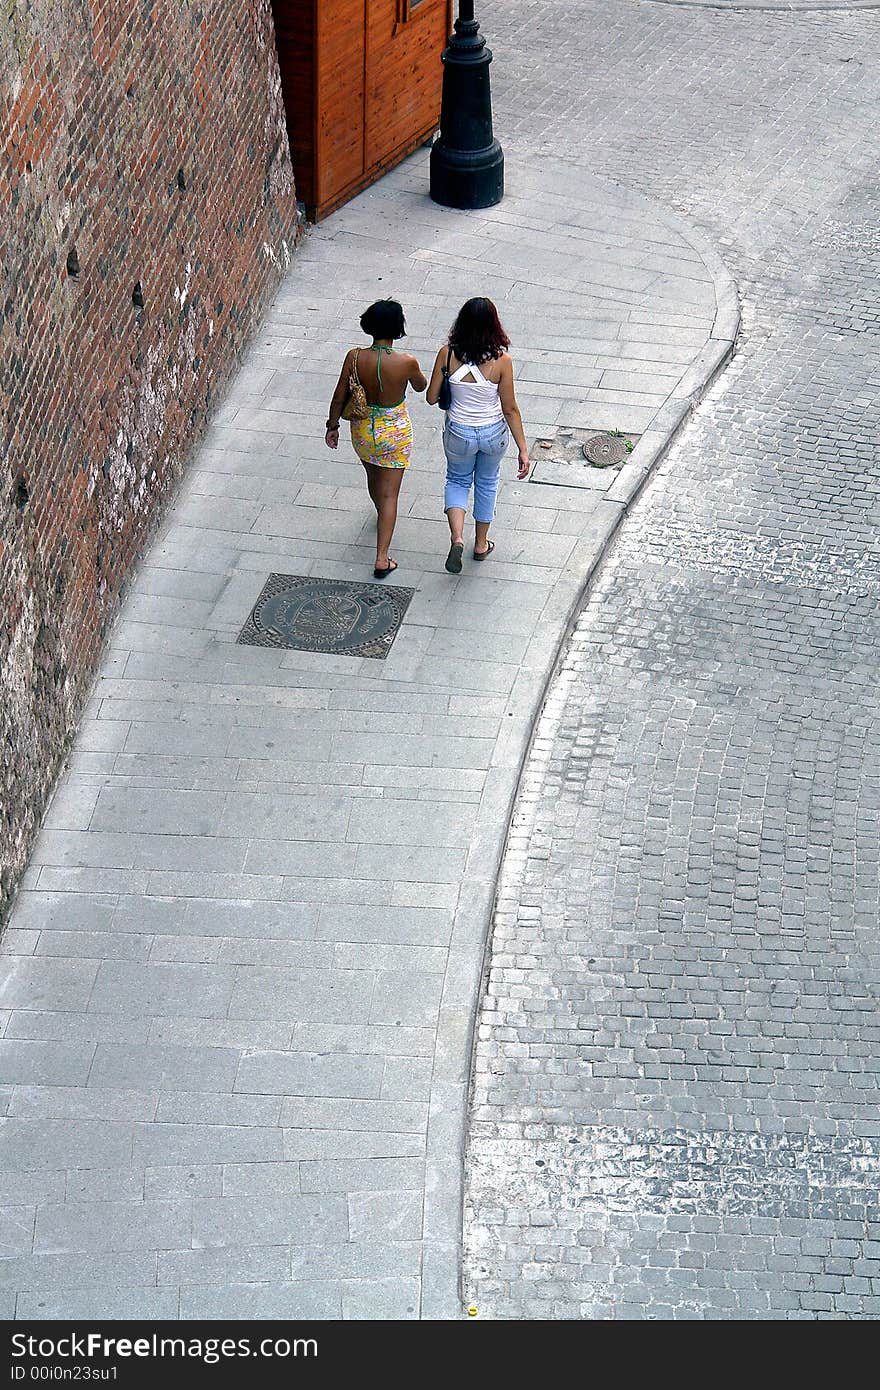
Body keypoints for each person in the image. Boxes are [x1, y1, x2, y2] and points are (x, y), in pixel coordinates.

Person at [426, 297, 530, 574]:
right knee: (487, 483)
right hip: (493, 432)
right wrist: (522, 448)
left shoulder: (446, 354)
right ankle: (481, 543)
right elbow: (509, 408)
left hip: (459, 432)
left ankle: (457, 538)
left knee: (457, 480)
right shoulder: (502, 361)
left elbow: (431, 397)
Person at [325, 300, 426, 578]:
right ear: (398, 327)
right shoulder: (406, 362)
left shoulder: (354, 357)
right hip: (394, 433)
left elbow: (338, 396)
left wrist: (332, 426)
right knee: (391, 492)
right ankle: (382, 557)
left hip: (362, 430)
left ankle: (381, 511)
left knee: (373, 477)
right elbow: (421, 385)